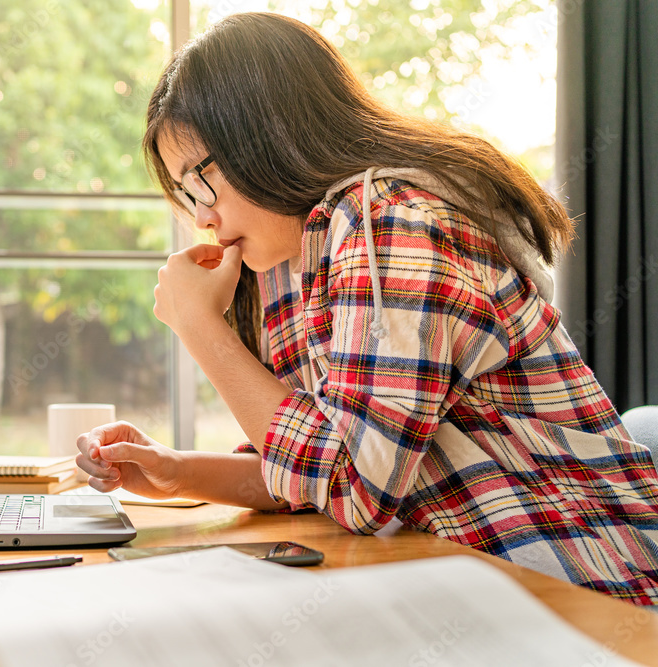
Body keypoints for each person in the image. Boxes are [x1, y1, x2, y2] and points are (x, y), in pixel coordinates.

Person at [74, 12, 658, 605]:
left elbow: (356, 489)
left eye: (200, 183)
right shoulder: (303, 254)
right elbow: (314, 468)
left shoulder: (391, 223)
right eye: (185, 196)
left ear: (266, 137)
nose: (200, 217)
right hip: (478, 584)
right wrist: (178, 473)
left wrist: (201, 327)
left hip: (589, 593)